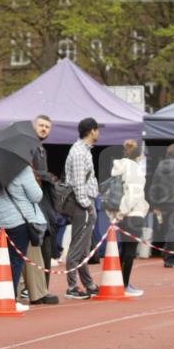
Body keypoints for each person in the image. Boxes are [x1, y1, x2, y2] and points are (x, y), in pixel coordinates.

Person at [0, 161, 46, 309]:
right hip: (17, 219)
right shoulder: (22, 168)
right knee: (15, 261)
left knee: (1, 260)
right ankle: (10, 298)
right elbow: (36, 196)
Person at [21, 115, 59, 305]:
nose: (44, 129)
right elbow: (29, 171)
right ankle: (37, 290)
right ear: (33, 126)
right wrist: (47, 176)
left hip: (43, 204)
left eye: (47, 127)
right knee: (39, 246)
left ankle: (39, 289)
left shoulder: (41, 148)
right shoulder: (30, 146)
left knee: (45, 247)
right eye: (41, 126)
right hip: (35, 205)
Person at [63, 117, 101, 300]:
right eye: (97, 129)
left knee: (84, 247)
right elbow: (78, 183)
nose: (99, 132)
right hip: (82, 205)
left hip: (85, 203)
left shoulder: (83, 150)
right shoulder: (79, 153)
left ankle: (88, 283)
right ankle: (72, 286)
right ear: (92, 131)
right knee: (78, 247)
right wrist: (87, 205)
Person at [111, 140, 149, 296]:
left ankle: (121, 281)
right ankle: (124, 284)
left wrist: (118, 214)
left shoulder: (121, 167)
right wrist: (122, 212)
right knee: (130, 251)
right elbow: (132, 195)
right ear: (139, 155)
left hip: (124, 213)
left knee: (125, 249)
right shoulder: (135, 169)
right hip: (132, 214)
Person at [150, 143, 174, 267]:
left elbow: (154, 186)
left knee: (167, 230)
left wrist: (154, 204)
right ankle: (170, 259)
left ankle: (167, 256)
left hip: (162, 204)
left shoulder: (160, 167)